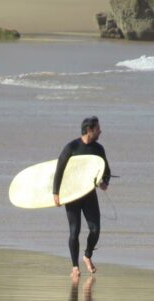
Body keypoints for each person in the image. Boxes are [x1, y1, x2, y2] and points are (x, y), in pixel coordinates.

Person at [53, 116, 112, 279]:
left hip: (88, 194)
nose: (100, 131)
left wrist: (104, 182)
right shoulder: (71, 147)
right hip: (71, 194)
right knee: (75, 231)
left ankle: (87, 255)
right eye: (98, 128)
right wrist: (56, 193)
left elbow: (106, 170)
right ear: (89, 130)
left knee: (95, 229)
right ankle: (74, 267)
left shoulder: (98, 149)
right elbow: (59, 170)